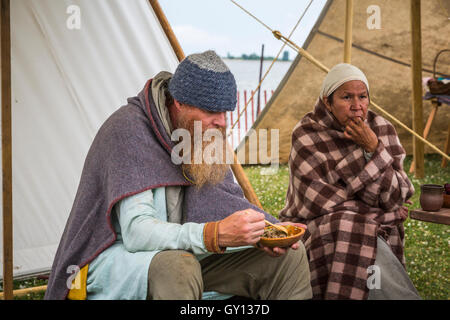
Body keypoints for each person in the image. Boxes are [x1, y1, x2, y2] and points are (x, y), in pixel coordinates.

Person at [44, 50, 312, 300]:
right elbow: (137, 233)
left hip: (186, 252)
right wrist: (213, 234)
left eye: (225, 112)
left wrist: (266, 232)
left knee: (287, 260)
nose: (221, 122)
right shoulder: (128, 131)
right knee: (178, 266)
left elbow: (224, 200)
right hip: (118, 257)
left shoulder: (203, 133)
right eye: (210, 111)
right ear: (179, 102)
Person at [279, 63, 421, 300]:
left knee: (361, 227)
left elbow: (397, 195)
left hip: (366, 222)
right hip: (314, 223)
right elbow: (318, 202)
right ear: (328, 102)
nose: (357, 106)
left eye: (362, 97)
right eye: (347, 97)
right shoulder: (306, 134)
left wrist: (372, 147)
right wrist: (383, 213)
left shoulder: (381, 129)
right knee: (346, 224)